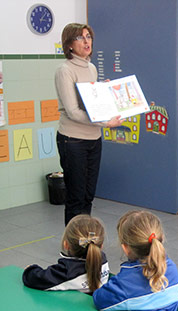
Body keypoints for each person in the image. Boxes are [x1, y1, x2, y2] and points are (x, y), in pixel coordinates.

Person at [55, 23, 125, 226]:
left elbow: (92, 104)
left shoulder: (92, 68)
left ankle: (84, 238)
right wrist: (106, 123)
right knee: (76, 197)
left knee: (88, 195)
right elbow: (73, 111)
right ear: (69, 45)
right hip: (73, 140)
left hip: (94, 139)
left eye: (88, 36)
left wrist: (105, 92)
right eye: (80, 38)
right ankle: (73, 246)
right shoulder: (65, 70)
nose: (86, 41)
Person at [93, 210, 178, 311]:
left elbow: (99, 300)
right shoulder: (171, 267)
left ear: (125, 248)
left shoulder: (125, 283)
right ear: (162, 238)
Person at [22, 215, 109, 293]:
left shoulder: (66, 271)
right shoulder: (103, 259)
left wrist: (31, 269)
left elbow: (36, 279)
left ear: (66, 245)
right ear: (101, 246)